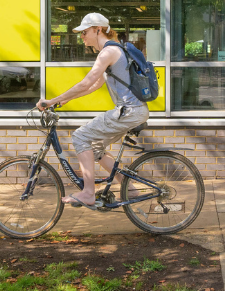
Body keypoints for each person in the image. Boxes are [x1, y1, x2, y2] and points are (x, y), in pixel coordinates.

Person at [36, 13, 149, 210]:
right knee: (95, 148)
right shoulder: (113, 51)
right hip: (133, 111)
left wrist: (52, 100)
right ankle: (129, 188)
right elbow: (94, 85)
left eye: (85, 32)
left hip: (128, 111)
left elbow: (86, 82)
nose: (82, 37)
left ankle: (88, 192)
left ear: (98, 29)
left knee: (80, 136)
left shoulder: (108, 52)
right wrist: (66, 100)